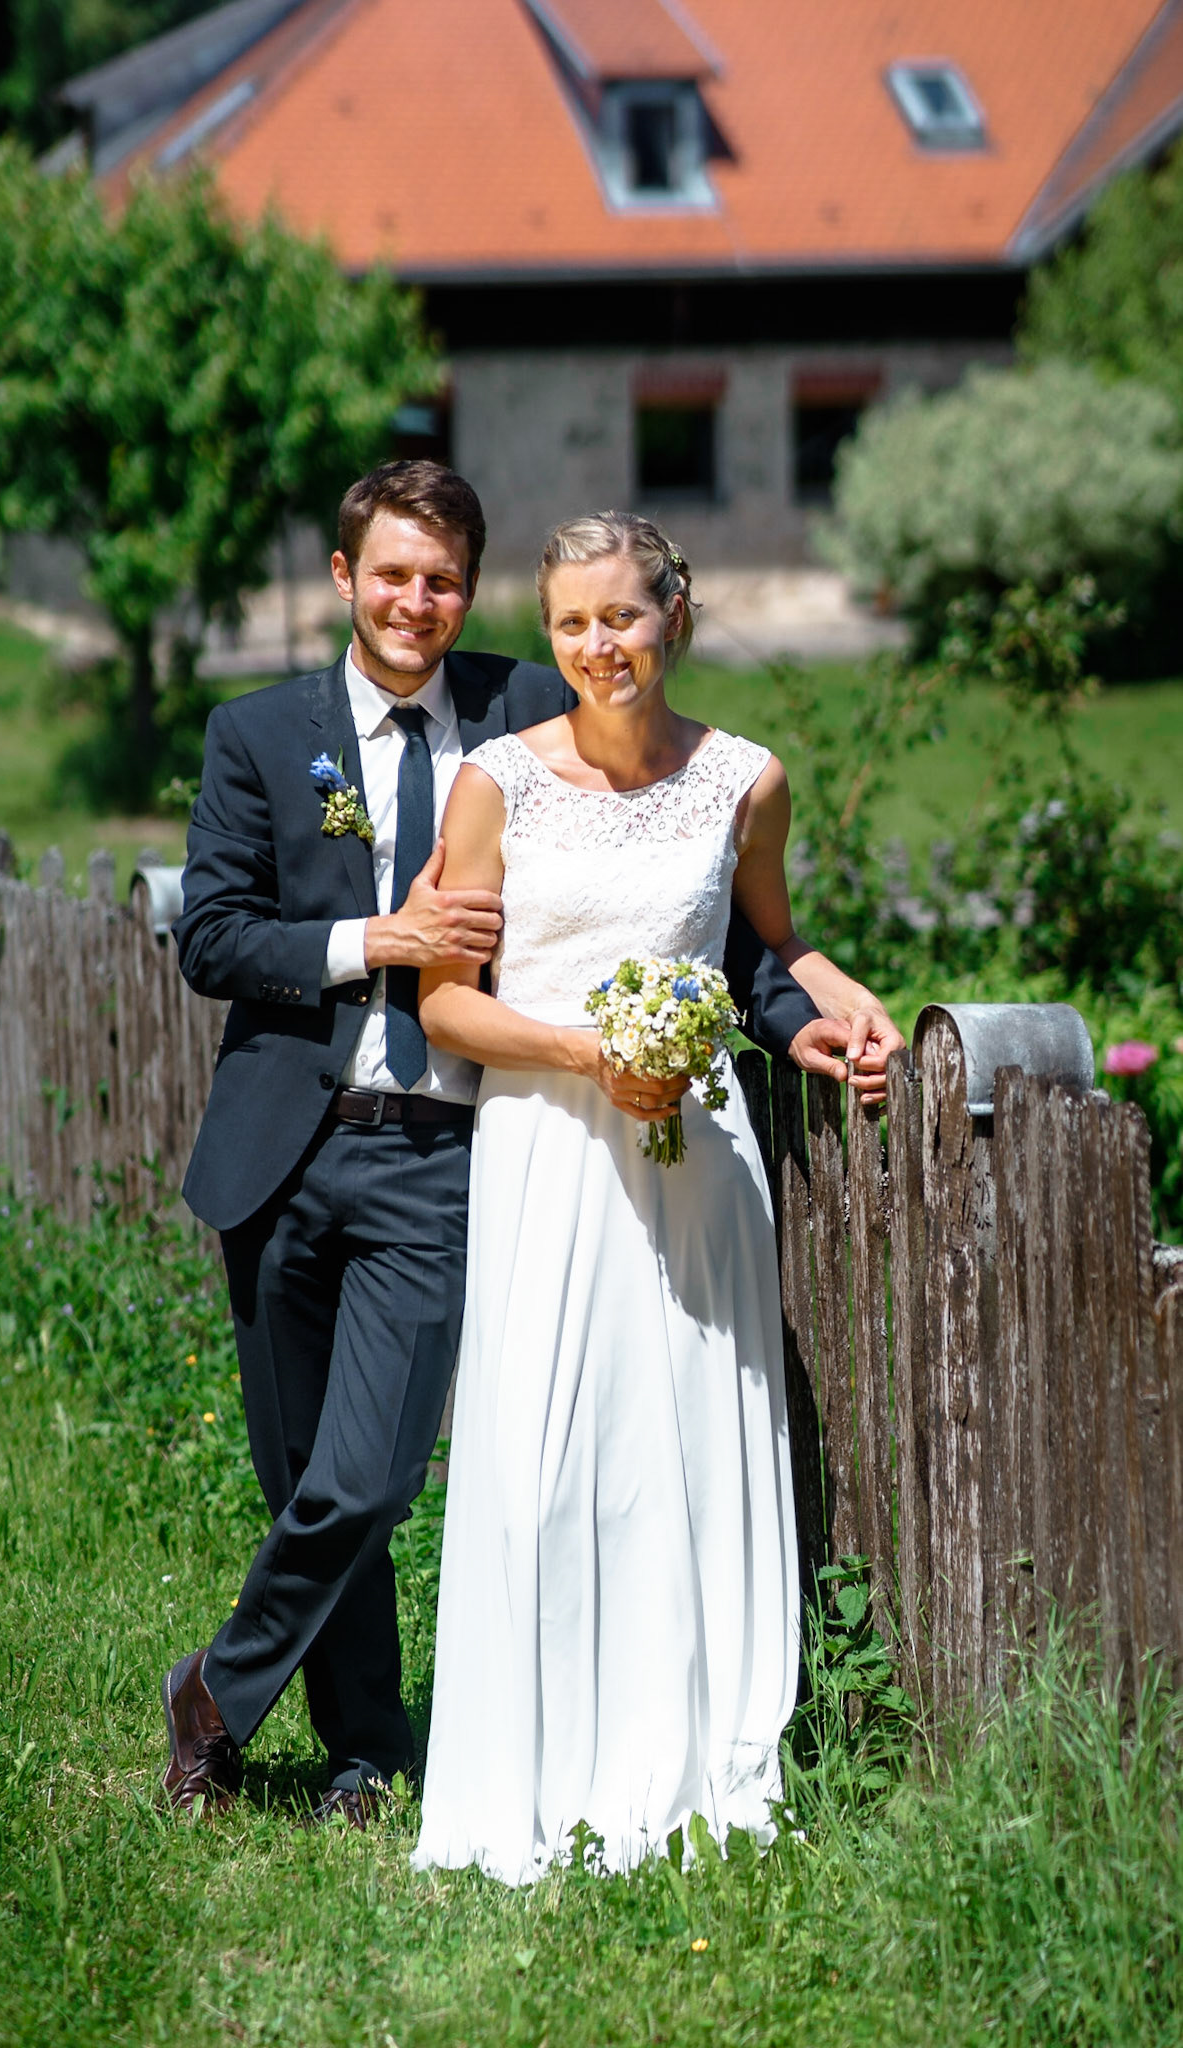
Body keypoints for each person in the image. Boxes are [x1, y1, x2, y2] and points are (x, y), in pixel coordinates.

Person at [159, 462, 893, 1822]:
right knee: (306, 1477)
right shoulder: (257, 733)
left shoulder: (527, 707)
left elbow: (710, 912)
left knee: (375, 1474)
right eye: (392, 574)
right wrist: (375, 939)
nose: (415, 602)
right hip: (286, 1143)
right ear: (344, 578)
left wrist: (809, 1010)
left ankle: (223, 1695)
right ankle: (361, 1752)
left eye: (442, 580)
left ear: (474, 592)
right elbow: (210, 936)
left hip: (449, 1144)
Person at [411, 511, 902, 1884]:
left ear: (672, 614)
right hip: (546, 1151)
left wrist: (852, 1011)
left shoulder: (747, 780)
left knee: (683, 1446)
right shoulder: (497, 784)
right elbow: (447, 1005)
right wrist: (588, 1055)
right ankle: (540, 1764)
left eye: (619, 616)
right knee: (545, 1462)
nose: (596, 647)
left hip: (697, 1158)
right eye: (570, 623)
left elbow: (774, 943)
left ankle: (696, 1750)